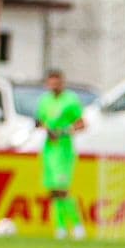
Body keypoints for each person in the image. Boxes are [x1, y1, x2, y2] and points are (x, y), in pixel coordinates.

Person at [36, 71, 87, 239]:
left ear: (62, 83)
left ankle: (78, 226)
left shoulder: (70, 101)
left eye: (57, 83)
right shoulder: (45, 101)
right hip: (49, 150)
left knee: (63, 190)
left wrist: (65, 131)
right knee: (53, 191)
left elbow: (81, 124)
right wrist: (46, 129)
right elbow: (40, 121)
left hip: (64, 150)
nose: (54, 86)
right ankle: (61, 228)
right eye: (51, 83)